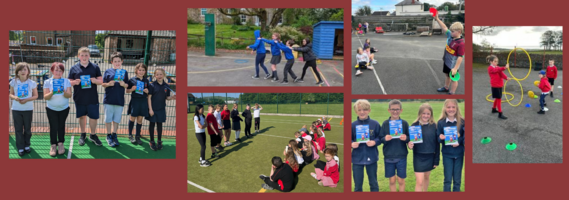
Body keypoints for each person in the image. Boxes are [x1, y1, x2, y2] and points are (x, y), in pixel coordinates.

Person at [68, 47, 103, 146]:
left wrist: (95, 81)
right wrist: (74, 82)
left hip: (92, 97)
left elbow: (101, 81)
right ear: (78, 56)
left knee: (93, 117)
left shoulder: (95, 67)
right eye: (82, 55)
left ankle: (93, 134)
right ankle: (83, 134)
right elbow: (69, 82)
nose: (84, 57)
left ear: (89, 56)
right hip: (79, 97)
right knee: (82, 117)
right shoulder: (74, 68)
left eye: (86, 55)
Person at [408, 103, 440, 192]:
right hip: (418, 156)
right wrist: (409, 145)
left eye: (428, 113)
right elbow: (410, 142)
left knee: (426, 177)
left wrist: (436, 159)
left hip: (430, 156)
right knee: (419, 181)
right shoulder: (414, 125)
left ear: (431, 114)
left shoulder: (434, 126)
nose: (426, 115)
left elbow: (437, 144)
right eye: (423, 113)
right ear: (420, 113)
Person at [379, 100, 410, 192]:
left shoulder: (404, 123)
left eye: (397, 109)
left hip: (401, 155)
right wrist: (385, 138)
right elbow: (381, 138)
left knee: (401, 180)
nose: (395, 111)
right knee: (392, 180)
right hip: (389, 155)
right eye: (393, 109)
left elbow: (410, 138)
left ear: (401, 110)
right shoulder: (385, 123)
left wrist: (406, 138)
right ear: (389, 110)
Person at [43, 62, 72, 156]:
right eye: (56, 70)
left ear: (63, 72)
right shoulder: (47, 82)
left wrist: (64, 92)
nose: (58, 72)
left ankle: (61, 143)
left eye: (60, 70)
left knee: (61, 126)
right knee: (53, 126)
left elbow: (69, 95)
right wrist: (52, 92)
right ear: (52, 71)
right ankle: (53, 145)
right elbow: (46, 97)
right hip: (51, 109)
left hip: (64, 108)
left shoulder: (66, 81)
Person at [10, 62, 38, 156]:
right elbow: (10, 94)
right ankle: (20, 147)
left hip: (28, 109)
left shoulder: (32, 83)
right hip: (16, 109)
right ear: (17, 72)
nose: (23, 71)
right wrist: (15, 98)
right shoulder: (13, 82)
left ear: (28, 72)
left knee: (27, 129)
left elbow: (35, 96)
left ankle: (27, 145)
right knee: (18, 129)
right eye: (20, 70)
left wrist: (26, 99)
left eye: (25, 69)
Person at [352, 99, 381, 192]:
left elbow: (381, 137)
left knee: (373, 183)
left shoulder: (375, 124)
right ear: (356, 111)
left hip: (371, 158)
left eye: (364, 110)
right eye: (359, 110)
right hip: (357, 158)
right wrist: (351, 143)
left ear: (369, 110)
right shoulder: (353, 125)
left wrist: (375, 142)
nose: (362, 112)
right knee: (357, 186)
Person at [437, 99, 465, 192]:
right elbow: (437, 139)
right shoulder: (441, 122)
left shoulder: (462, 121)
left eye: (453, 107)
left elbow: (466, 137)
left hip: (459, 154)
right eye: (448, 107)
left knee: (457, 180)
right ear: (445, 108)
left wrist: (459, 141)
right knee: (447, 180)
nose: (451, 109)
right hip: (447, 155)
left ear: (457, 108)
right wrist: (441, 137)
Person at [102, 52, 129, 147]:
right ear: (111, 62)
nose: (117, 63)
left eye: (119, 61)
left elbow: (127, 85)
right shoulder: (107, 71)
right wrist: (108, 84)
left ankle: (114, 134)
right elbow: (103, 84)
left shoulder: (124, 72)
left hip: (119, 100)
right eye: (115, 61)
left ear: (122, 61)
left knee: (116, 119)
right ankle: (108, 135)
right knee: (108, 119)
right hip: (109, 100)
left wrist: (124, 85)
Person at [435, 13, 464, 95]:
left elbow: (460, 57)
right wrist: (437, 19)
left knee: (454, 79)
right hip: (447, 62)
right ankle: (446, 87)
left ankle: (452, 92)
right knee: (447, 75)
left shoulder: (461, 44)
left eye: (453, 31)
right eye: (450, 31)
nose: (450, 32)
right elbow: (444, 27)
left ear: (459, 32)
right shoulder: (450, 36)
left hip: (453, 65)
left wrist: (455, 68)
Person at [146, 68, 176, 150]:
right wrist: (150, 109)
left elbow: (167, 97)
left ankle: (159, 141)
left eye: (161, 74)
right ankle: (151, 141)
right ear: (155, 76)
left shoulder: (167, 86)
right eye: (157, 74)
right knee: (152, 124)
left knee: (160, 125)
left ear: (164, 75)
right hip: (153, 109)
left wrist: (172, 97)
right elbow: (149, 97)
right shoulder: (152, 85)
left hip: (161, 109)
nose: (159, 76)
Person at [127, 63, 150, 144]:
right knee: (132, 118)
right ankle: (130, 135)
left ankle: (137, 136)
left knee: (140, 120)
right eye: (139, 70)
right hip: (135, 101)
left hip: (143, 102)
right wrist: (132, 89)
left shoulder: (146, 80)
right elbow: (127, 91)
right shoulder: (132, 80)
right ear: (136, 70)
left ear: (145, 71)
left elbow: (149, 92)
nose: (141, 72)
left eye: (143, 70)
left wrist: (147, 91)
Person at [486, 55, 509, 119]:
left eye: (497, 61)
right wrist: (504, 67)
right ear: (491, 62)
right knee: (499, 99)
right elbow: (496, 70)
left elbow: (501, 74)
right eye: (495, 61)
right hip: (495, 85)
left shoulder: (497, 67)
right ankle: (500, 113)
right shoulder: (490, 68)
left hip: (499, 84)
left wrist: (506, 78)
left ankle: (493, 109)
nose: (496, 62)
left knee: (497, 97)